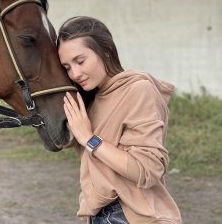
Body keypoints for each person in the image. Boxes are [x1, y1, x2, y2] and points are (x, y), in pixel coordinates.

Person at [57, 16, 182, 224]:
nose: (75, 73)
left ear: (106, 51)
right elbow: (60, 139)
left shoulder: (138, 90)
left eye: (80, 61)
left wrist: (89, 138)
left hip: (133, 216)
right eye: (67, 67)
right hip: (98, 214)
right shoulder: (90, 99)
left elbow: (146, 169)